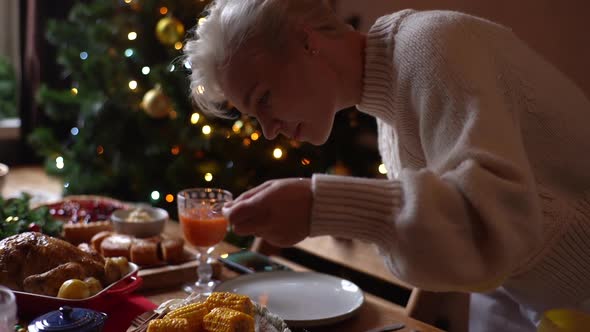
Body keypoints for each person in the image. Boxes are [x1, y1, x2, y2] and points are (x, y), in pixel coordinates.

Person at [183, 0, 590, 330]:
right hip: (542, 306)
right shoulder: (388, 114)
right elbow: (470, 251)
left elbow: (496, 216)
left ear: (305, 40)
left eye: (264, 98)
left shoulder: (434, 46)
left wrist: (318, 206)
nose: (269, 131)